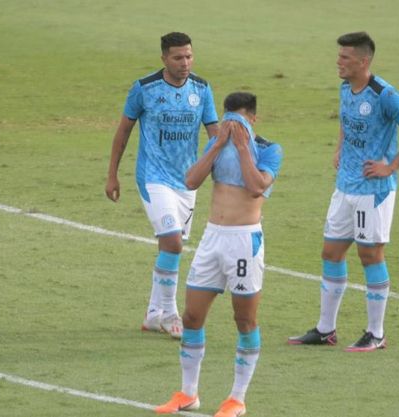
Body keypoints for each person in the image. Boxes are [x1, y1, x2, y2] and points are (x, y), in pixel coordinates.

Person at [288, 32, 399, 351]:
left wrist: (391, 167)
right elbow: (346, 121)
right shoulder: (345, 88)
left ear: (363, 61)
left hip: (373, 191)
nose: (338, 62)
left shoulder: (384, 94)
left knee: (370, 255)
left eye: (345, 57)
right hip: (345, 186)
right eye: (339, 56)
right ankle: (325, 330)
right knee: (331, 252)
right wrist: (340, 148)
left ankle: (376, 333)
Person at [155, 92, 283, 416]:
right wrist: (216, 145)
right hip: (212, 238)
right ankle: (188, 394)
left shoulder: (269, 150)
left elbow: (256, 186)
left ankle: (237, 399)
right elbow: (190, 180)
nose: (233, 126)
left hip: (244, 242)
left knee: (244, 319)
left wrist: (241, 147)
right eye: (228, 120)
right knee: (191, 317)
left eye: (239, 120)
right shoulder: (217, 145)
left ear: (252, 119)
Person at [105, 32, 220, 339]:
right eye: (178, 57)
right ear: (164, 59)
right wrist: (112, 174)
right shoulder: (144, 88)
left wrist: (222, 173)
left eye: (189, 56)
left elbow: (215, 136)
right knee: (173, 242)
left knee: (171, 246)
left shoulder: (202, 89)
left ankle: (153, 315)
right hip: (153, 177)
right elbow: (123, 131)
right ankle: (170, 314)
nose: (185, 63)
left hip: (187, 181)